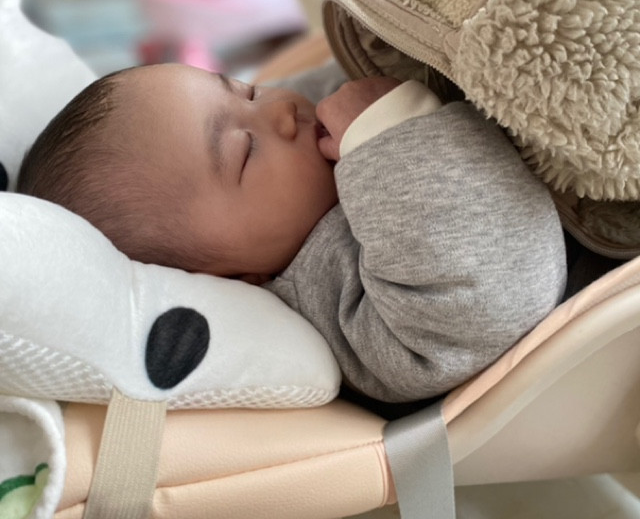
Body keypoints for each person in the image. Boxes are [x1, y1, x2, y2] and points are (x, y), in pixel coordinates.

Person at [17, 63, 566, 403]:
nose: (280, 110)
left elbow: (355, 68)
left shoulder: (305, 160)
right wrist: (388, 129)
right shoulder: (328, 297)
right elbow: (485, 303)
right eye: (245, 152)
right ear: (233, 279)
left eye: (247, 90)